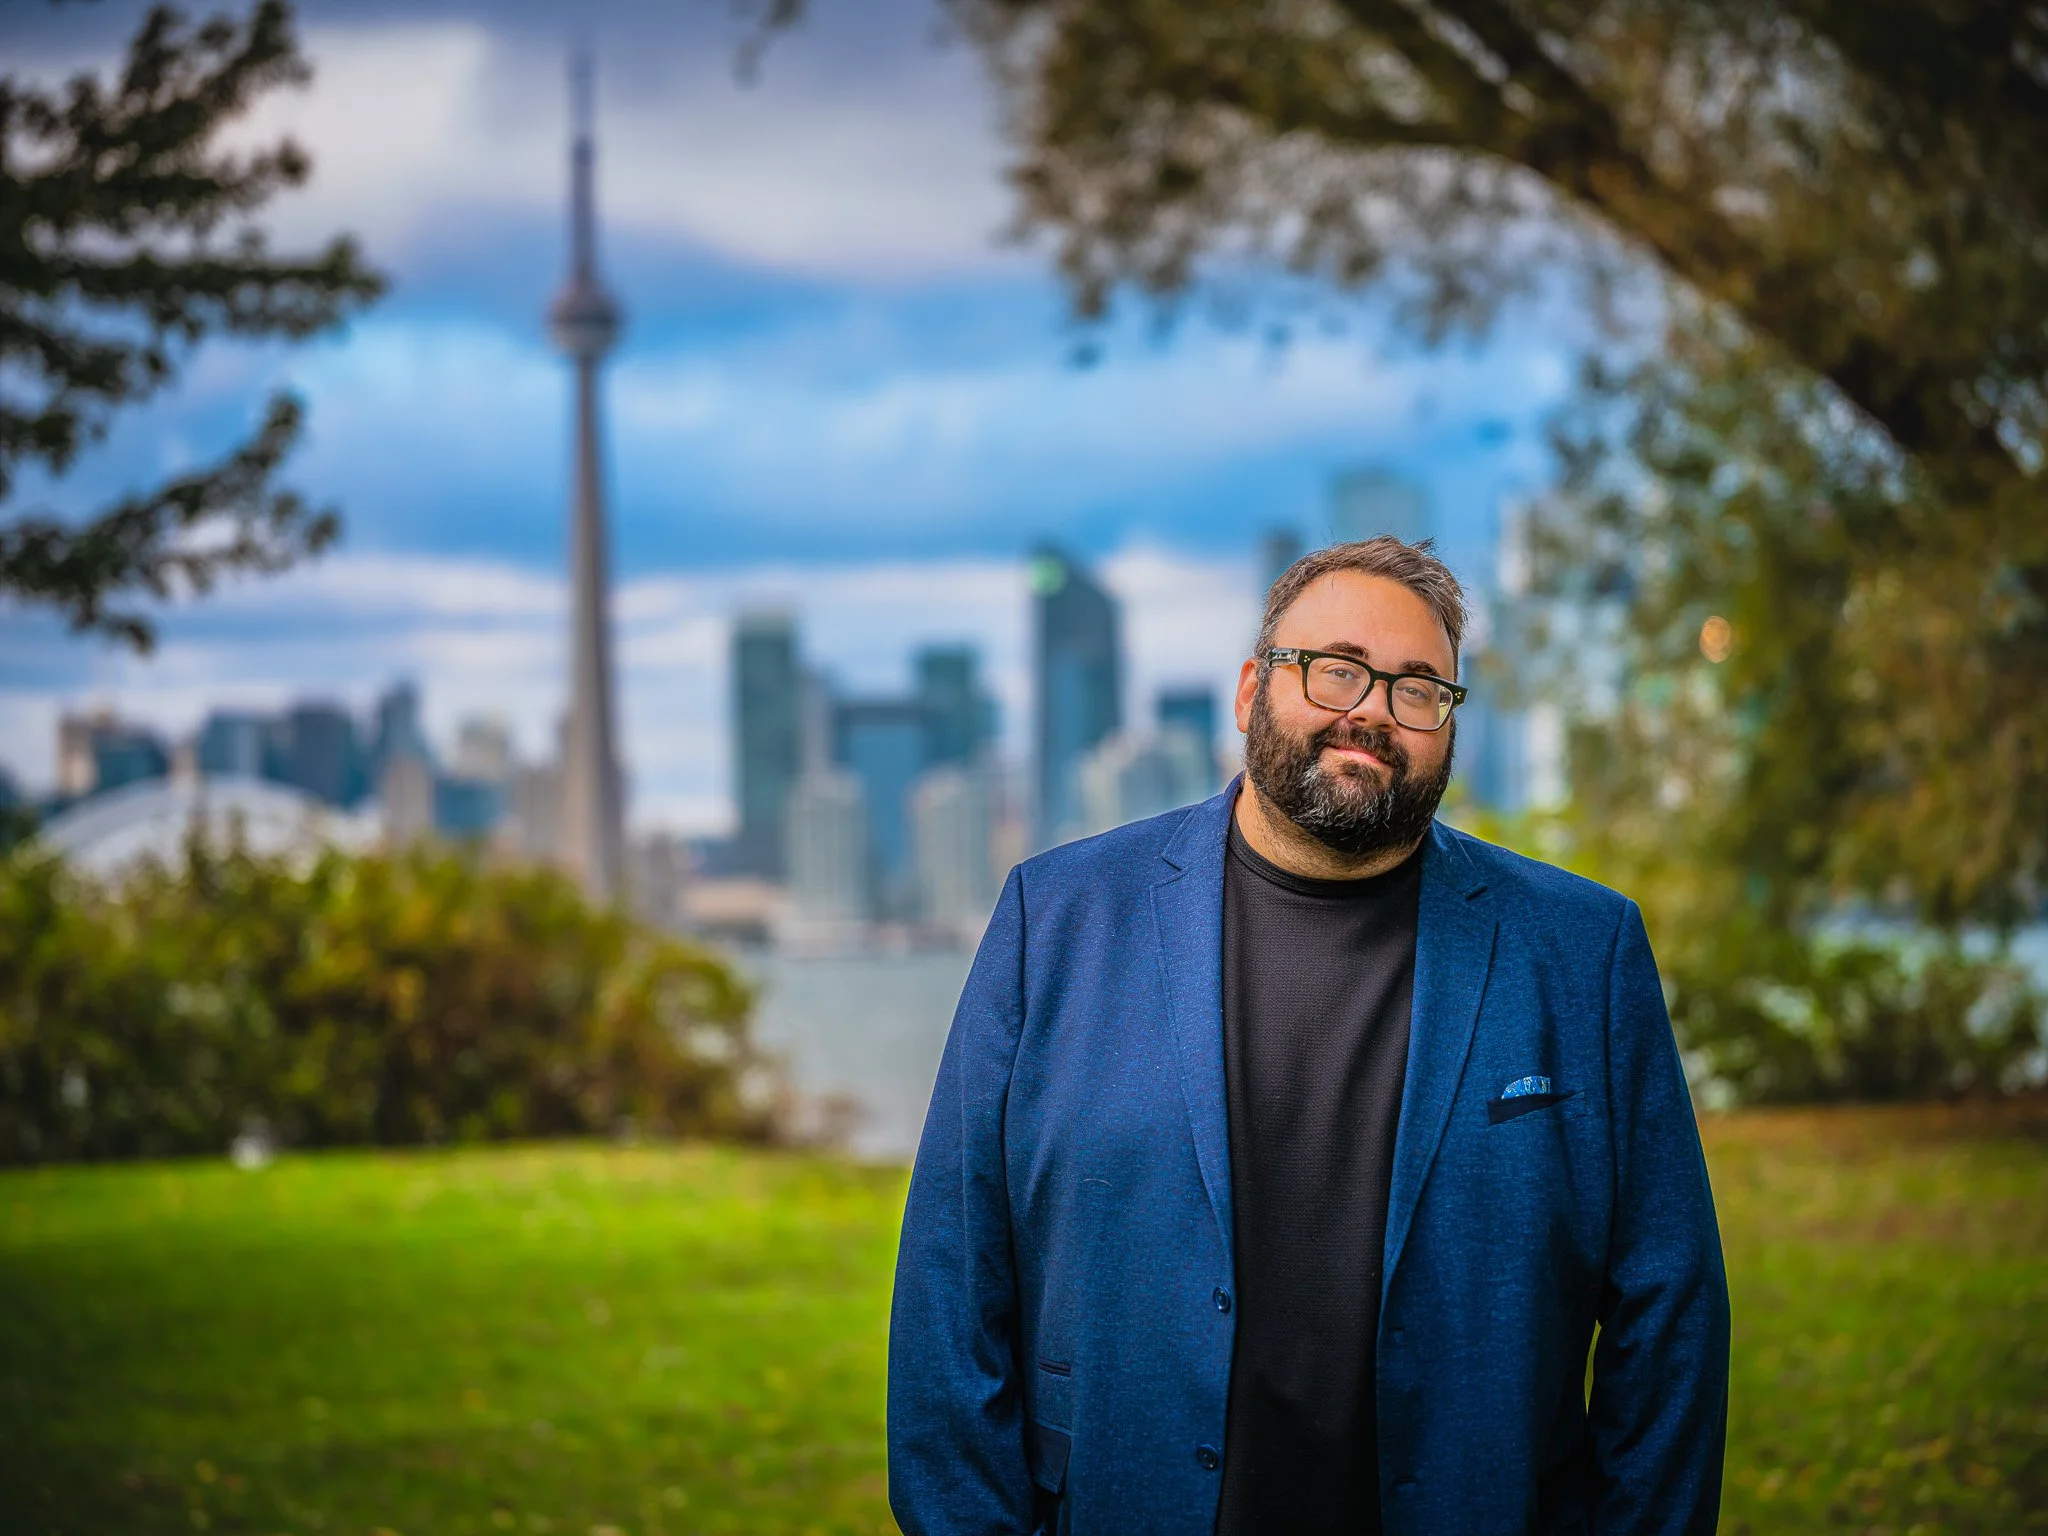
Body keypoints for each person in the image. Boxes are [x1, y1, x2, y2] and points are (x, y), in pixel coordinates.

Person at [887, 537, 1730, 1536]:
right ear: (1252, 687)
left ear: (1447, 724)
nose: (1370, 707)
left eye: (1417, 688)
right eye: (1334, 669)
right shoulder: (1057, 919)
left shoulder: (1577, 950)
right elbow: (951, 1291)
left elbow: (1668, 1318)